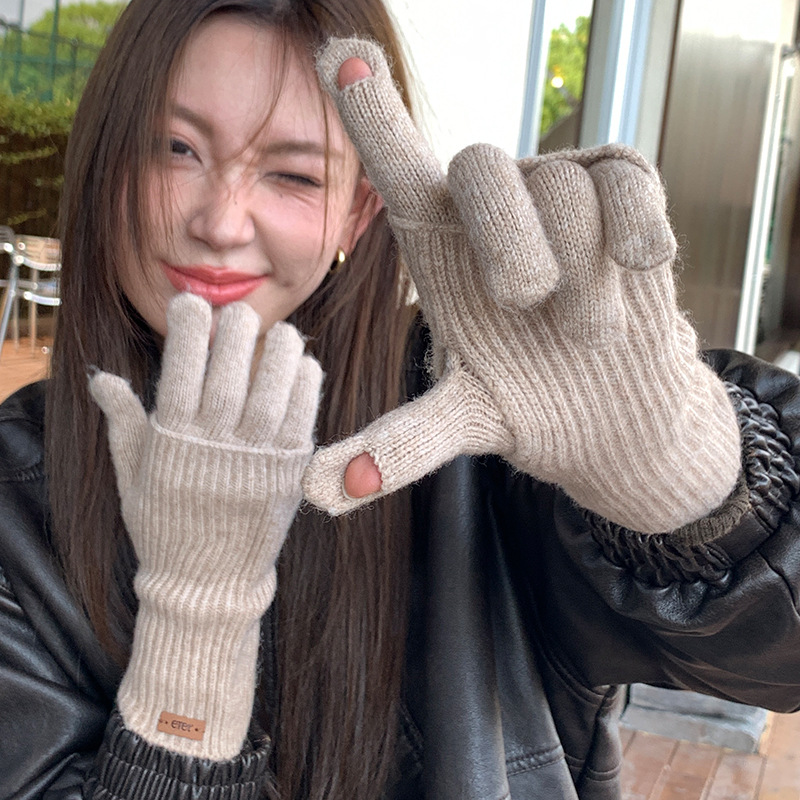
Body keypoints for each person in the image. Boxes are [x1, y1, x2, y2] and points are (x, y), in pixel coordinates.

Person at [1, 0, 799, 798]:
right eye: (175, 149)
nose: (221, 221)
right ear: (106, 160)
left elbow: (778, 666)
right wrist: (195, 627)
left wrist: (684, 485)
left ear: (356, 212)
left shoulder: (491, 410)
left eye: (293, 174)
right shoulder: (15, 490)